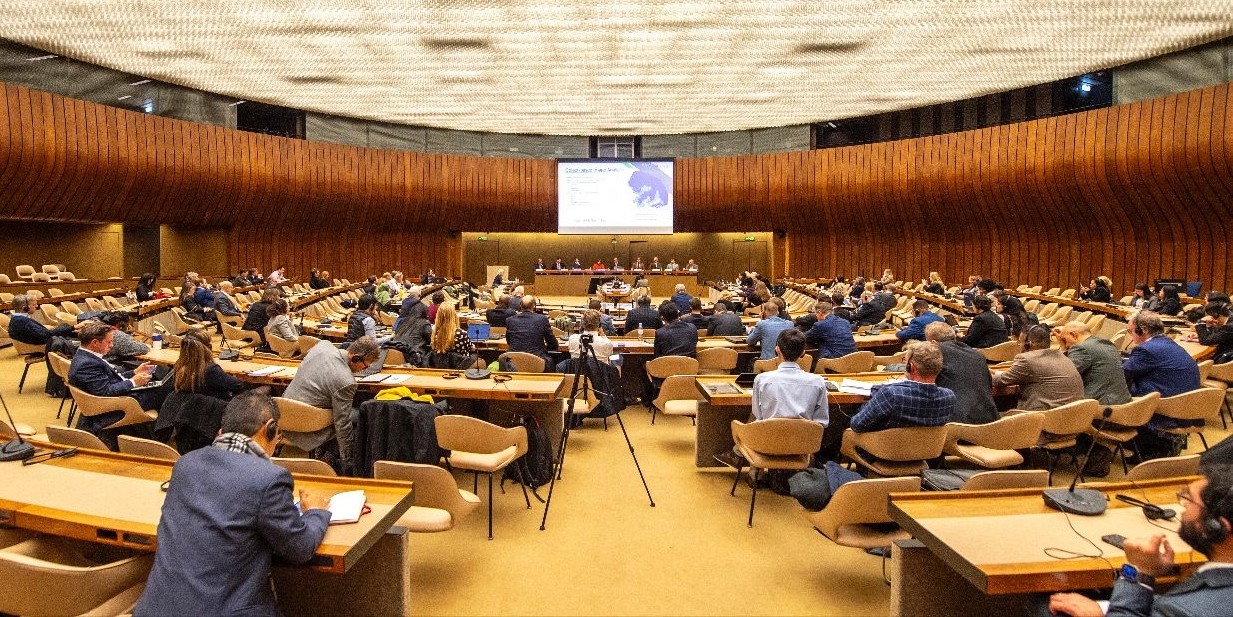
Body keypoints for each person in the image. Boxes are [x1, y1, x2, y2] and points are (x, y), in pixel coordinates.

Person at [133, 392, 332, 617]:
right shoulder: (269, 478)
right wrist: (316, 511)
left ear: (222, 430)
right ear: (270, 428)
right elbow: (300, 548)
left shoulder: (185, 464)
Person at [1047, 464, 1233, 617]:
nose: (1181, 507)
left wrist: (1137, 569)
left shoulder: (1184, 610)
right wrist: (1105, 609)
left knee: (1045, 607)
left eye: (1189, 500)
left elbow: (1182, 605)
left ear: (1216, 527)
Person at [283, 337, 380, 474]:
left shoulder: (322, 346)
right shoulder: (346, 381)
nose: (365, 370)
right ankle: (327, 459)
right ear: (356, 358)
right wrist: (347, 458)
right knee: (361, 417)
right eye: (366, 366)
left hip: (284, 415)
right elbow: (342, 422)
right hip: (308, 427)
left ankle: (324, 454)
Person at [67, 321, 165, 444]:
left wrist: (134, 372)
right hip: (116, 405)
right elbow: (105, 391)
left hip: (114, 398)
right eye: (109, 342)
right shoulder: (86, 364)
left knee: (161, 382)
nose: (112, 345)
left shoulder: (85, 356)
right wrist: (133, 382)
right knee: (167, 391)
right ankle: (160, 437)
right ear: (95, 343)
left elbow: (108, 379)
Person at [849, 341, 955, 432]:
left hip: (884, 453)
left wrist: (875, 399)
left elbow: (857, 425)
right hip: (929, 453)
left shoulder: (891, 394)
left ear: (910, 366)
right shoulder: (949, 396)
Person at [991, 324, 1084, 412]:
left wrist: (983, 372)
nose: (1019, 345)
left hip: (1044, 418)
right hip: (1073, 417)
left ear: (1029, 344)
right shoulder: (1062, 356)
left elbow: (999, 381)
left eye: (1020, 342)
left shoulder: (1026, 359)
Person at [924, 322, 998, 424]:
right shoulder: (977, 355)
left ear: (932, 342)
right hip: (989, 419)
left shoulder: (935, 351)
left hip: (955, 423)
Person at [751, 329, 828, 425]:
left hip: (769, 437)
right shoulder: (818, 382)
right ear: (803, 353)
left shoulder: (761, 380)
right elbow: (821, 423)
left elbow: (758, 416)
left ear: (777, 349)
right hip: (805, 438)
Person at [1057, 320, 1132, 406]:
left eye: (1064, 340)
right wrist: (1063, 345)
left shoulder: (1081, 348)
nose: (1066, 345)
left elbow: (1063, 376)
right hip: (1122, 401)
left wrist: (1062, 349)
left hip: (1102, 405)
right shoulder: (1106, 343)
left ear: (1073, 335)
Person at [173, 330, 245, 400]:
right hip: (214, 408)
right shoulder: (211, 370)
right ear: (209, 348)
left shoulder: (179, 365)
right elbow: (238, 385)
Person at [8, 293, 79, 345]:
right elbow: (45, 335)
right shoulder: (21, 321)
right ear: (25, 307)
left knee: (65, 327)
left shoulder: (17, 318)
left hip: (44, 338)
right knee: (68, 329)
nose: (36, 306)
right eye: (33, 305)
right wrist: (73, 327)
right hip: (46, 343)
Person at [505, 295, 557, 364]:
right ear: (534, 306)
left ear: (520, 306)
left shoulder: (510, 320)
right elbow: (552, 343)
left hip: (514, 361)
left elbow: (509, 342)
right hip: (536, 361)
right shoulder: (542, 319)